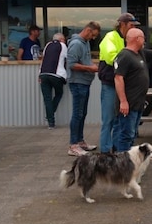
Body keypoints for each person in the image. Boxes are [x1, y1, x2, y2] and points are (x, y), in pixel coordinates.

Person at [98, 13, 140, 153]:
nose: (133, 27)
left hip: (122, 86)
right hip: (110, 85)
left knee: (118, 121)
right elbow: (112, 58)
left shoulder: (125, 39)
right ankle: (105, 152)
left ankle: (116, 152)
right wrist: (129, 60)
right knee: (109, 120)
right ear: (122, 24)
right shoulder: (110, 37)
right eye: (131, 25)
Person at [67, 21, 101, 156]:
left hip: (85, 83)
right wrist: (90, 68)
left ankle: (80, 141)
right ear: (87, 30)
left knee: (82, 113)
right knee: (77, 114)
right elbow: (71, 64)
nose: (93, 38)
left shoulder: (85, 43)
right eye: (93, 35)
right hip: (77, 83)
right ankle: (73, 145)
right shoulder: (76, 44)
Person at [38, 32, 68, 130]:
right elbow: (68, 59)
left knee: (47, 98)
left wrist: (39, 74)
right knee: (59, 93)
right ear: (61, 39)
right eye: (64, 39)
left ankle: (51, 123)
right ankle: (50, 113)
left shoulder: (47, 45)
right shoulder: (63, 46)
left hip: (43, 74)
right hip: (56, 75)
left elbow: (43, 59)